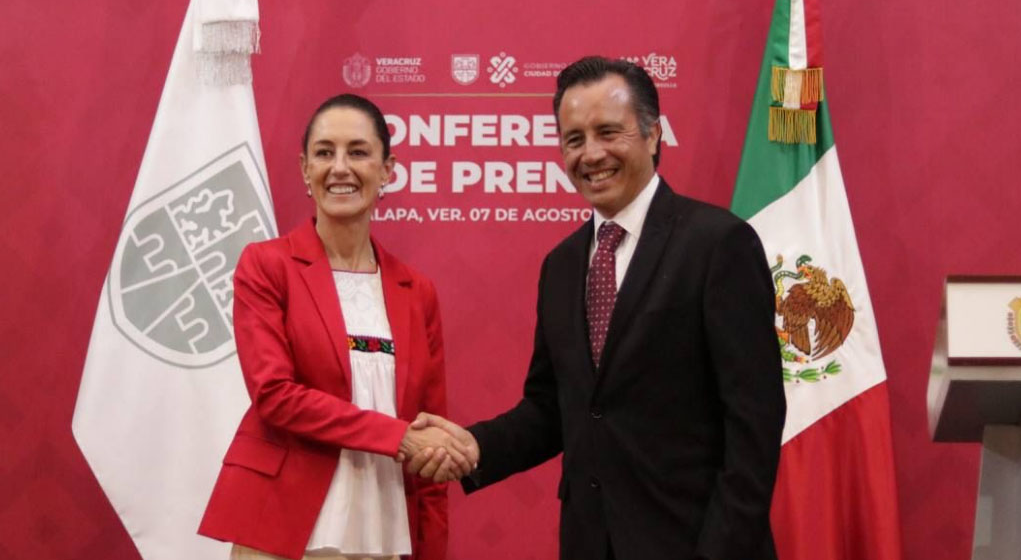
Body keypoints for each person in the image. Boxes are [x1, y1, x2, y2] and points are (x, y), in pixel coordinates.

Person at [408, 57, 786, 560]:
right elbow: (553, 408)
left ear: (653, 134)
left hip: (695, 543)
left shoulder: (719, 244)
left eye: (608, 132)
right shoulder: (561, 266)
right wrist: (474, 447)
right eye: (574, 139)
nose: (591, 154)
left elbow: (754, 425)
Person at [198, 94, 476, 560]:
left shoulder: (417, 291)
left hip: (386, 534)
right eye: (325, 152)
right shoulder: (266, 266)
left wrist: (432, 548)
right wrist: (397, 437)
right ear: (305, 169)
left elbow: (429, 433)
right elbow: (275, 395)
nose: (340, 167)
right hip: (282, 533)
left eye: (358, 152)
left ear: (387, 170)